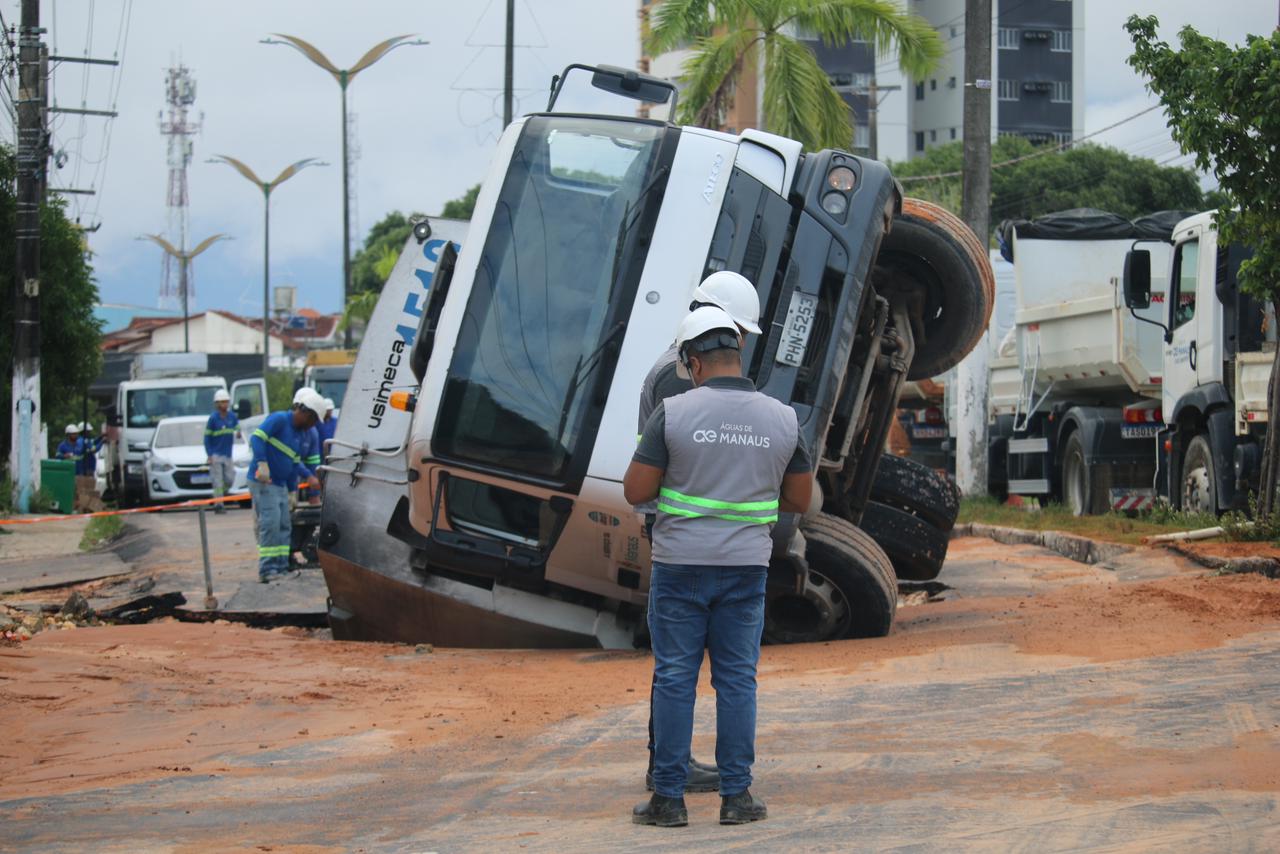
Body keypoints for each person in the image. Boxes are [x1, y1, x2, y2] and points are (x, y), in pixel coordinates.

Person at [624, 306, 812, 828]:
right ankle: (736, 798)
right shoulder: (783, 418)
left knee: (676, 678)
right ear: (738, 355)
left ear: (692, 363)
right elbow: (799, 498)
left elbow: (636, 490)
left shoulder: (675, 413)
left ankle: (668, 800)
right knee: (736, 682)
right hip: (745, 571)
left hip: (680, 567)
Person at [635, 270, 764, 796]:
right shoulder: (678, 376)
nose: (732, 344)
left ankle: (672, 766)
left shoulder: (675, 366)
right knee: (688, 670)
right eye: (731, 331)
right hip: (693, 539)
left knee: (677, 666)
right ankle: (670, 766)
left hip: (687, 537)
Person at [248, 389, 324, 582]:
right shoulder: (280, 419)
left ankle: (281, 566)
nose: (313, 426)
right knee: (271, 524)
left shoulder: (300, 434)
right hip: (265, 481)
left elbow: (293, 463)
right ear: (305, 413)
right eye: (314, 420)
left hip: (281, 485)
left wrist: (292, 491)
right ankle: (267, 570)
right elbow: (257, 438)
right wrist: (261, 463)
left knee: (284, 525)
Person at [204, 389, 240, 515]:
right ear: (217, 404)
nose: (224, 404)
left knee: (230, 479)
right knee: (218, 481)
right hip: (216, 455)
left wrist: (239, 432)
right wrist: (209, 454)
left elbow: (237, 426)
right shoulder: (213, 419)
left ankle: (218, 496)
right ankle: (219, 504)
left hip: (228, 454)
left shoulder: (232, 417)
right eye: (221, 402)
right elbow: (207, 438)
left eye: (226, 402)